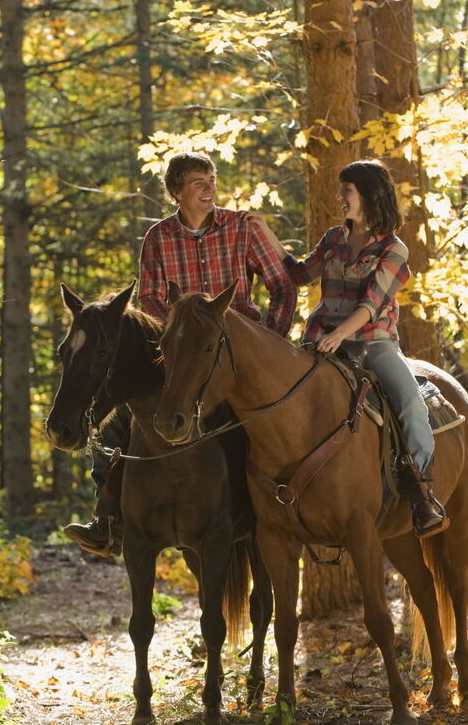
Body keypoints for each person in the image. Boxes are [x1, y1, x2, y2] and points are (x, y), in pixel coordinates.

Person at [64, 151, 297, 553]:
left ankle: (290, 511)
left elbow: (283, 287)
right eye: (198, 182)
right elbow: (151, 299)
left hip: (240, 358)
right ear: (176, 192)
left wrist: (268, 340)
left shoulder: (242, 229)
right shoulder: (158, 238)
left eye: (212, 179)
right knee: (122, 415)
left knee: (271, 427)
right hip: (179, 357)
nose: (210, 188)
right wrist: (177, 340)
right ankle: (106, 519)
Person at [247, 158, 449, 539]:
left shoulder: (394, 249)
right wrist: (265, 231)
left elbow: (371, 305)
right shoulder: (333, 239)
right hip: (321, 341)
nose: (340, 196)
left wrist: (341, 335)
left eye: (347, 190)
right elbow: (299, 273)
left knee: (411, 404)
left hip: (373, 344)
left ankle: (423, 494)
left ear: (369, 195)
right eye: (342, 189)